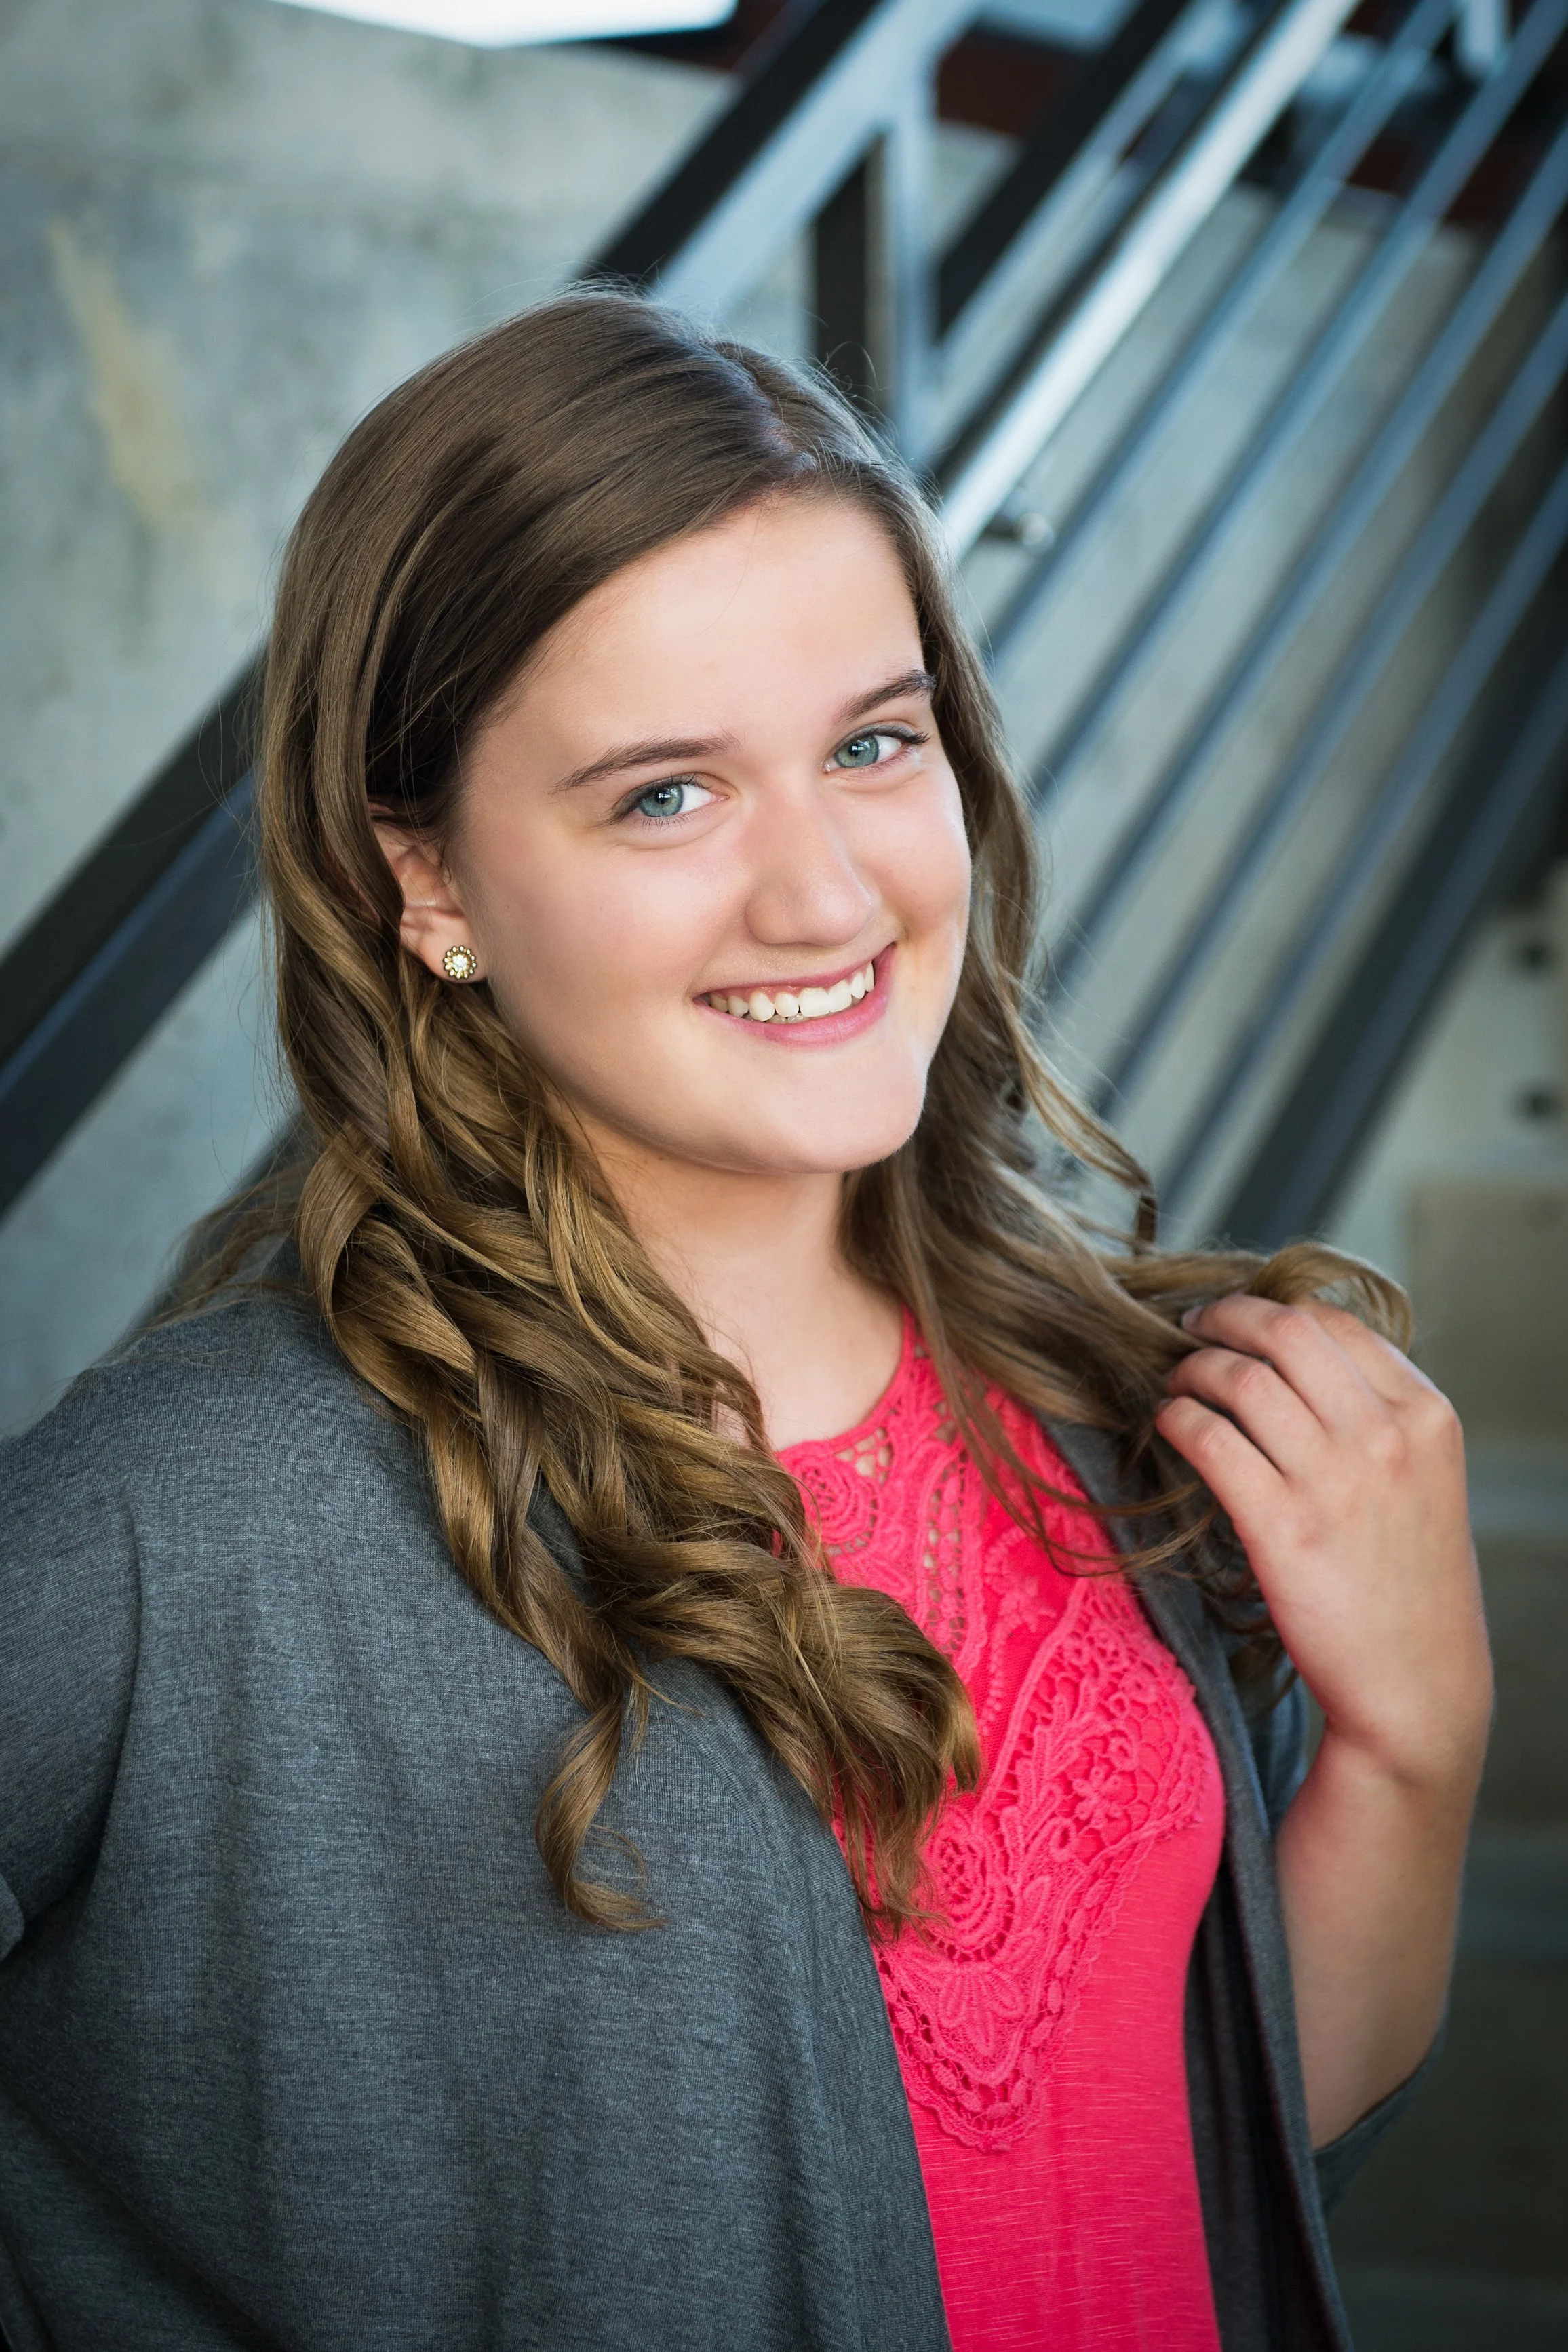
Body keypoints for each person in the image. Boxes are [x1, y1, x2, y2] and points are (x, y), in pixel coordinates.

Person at [0, 294, 1491, 2352]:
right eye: (665, 796)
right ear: (419, 874)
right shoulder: (214, 1501)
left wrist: (1414, 1744)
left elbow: (1197, 2151)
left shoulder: (1119, 1406)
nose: (826, 893)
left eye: (874, 745)